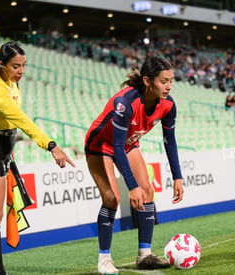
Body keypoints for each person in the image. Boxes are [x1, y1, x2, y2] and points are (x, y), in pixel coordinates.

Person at [0, 42, 75, 275]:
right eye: (16, 66)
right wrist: (50, 145)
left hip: (3, 145)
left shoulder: (10, 79)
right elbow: (20, 117)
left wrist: (9, 148)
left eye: (24, 66)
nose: (21, 71)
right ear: (1, 64)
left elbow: (10, 120)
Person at [84, 56, 184, 274]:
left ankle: (144, 255)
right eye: (163, 81)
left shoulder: (168, 105)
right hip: (100, 144)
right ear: (147, 81)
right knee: (112, 198)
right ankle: (104, 259)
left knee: (148, 191)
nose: (168, 86)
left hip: (128, 143)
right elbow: (116, 146)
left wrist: (178, 176)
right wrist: (132, 186)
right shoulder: (125, 102)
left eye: (171, 81)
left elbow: (170, 140)